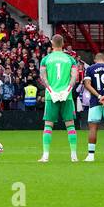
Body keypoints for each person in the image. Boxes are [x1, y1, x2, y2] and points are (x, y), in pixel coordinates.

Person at [38, 34, 79, 163]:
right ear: (63, 44)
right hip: (66, 96)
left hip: (52, 96)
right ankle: (73, 155)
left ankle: (45, 156)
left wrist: (51, 91)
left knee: (48, 125)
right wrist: (67, 91)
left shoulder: (46, 59)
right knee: (70, 125)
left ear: (52, 43)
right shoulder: (70, 59)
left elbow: (43, 77)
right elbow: (74, 77)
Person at [79, 51, 104, 162]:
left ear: (95, 60)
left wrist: (99, 96)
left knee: (93, 128)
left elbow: (87, 84)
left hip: (95, 102)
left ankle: (91, 156)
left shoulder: (90, 69)